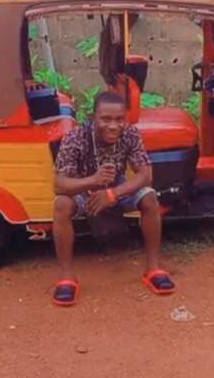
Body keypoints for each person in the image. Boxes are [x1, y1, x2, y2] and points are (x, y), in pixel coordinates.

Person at [51, 90, 175, 306]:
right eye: (106, 119)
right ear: (93, 117)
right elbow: (59, 184)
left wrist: (112, 193)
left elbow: (146, 174)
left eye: (119, 119)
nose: (113, 126)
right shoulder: (76, 137)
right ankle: (67, 277)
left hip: (116, 188)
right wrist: (93, 181)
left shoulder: (130, 134)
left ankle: (154, 268)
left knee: (150, 198)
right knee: (61, 204)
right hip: (84, 188)